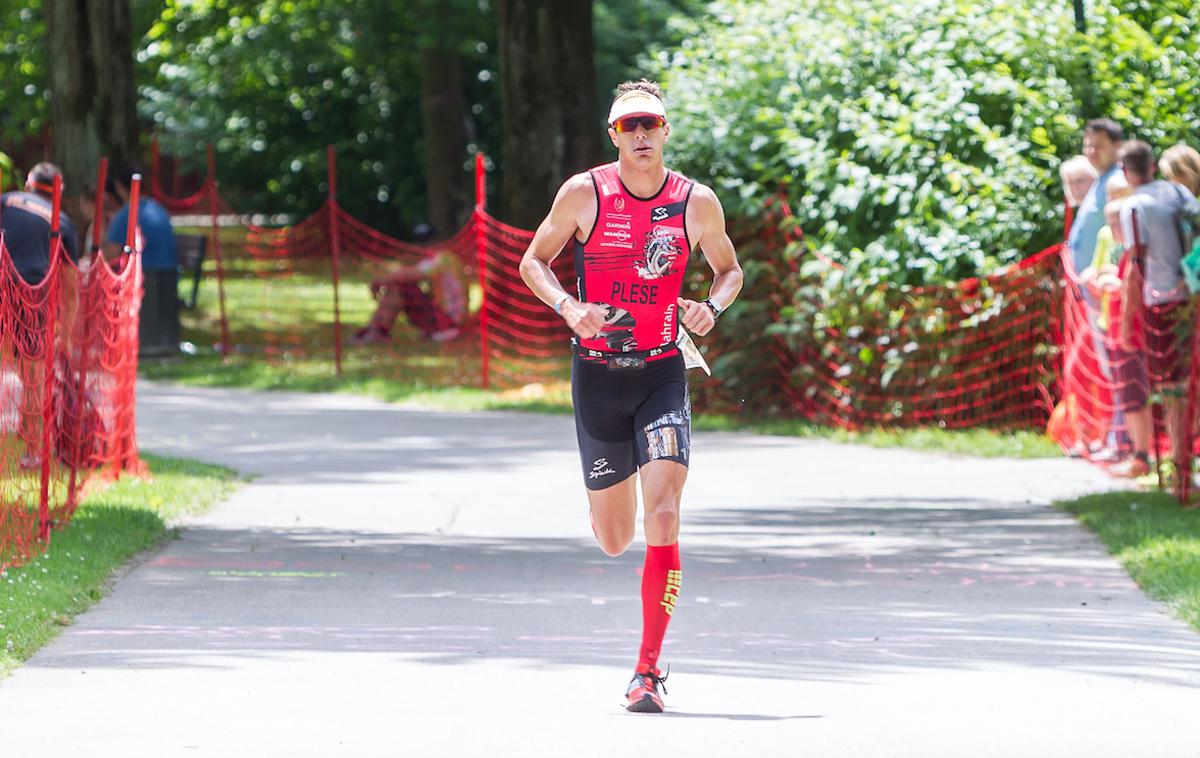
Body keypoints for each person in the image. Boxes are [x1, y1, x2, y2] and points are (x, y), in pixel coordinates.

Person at [518, 80, 743, 713]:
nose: (641, 135)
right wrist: (568, 306)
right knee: (616, 539)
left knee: (664, 513)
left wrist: (712, 307)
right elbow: (533, 261)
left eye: (652, 124)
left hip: (661, 373)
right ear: (613, 134)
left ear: (666, 130)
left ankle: (647, 671)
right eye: (629, 126)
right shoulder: (583, 193)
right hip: (597, 376)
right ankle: (602, 503)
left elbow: (729, 269)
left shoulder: (695, 203)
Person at [1113, 140, 1200, 478]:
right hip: (1192, 294)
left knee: (1172, 386)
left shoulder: (1134, 206)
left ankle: (1181, 466)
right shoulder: (1180, 195)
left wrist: (1125, 320)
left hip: (1164, 302)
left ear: (1125, 171)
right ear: (1151, 165)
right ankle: (1183, 461)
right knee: (1190, 380)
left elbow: (1137, 267)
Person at [0, 162, 81, 468]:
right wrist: (67, 328)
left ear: (29, 185)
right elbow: (70, 282)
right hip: (32, 294)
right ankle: (34, 452)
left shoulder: (5, 200)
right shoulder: (62, 221)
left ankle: (26, 430)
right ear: (58, 193)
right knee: (34, 376)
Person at [349, 224, 469, 345]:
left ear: (437, 240)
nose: (422, 246)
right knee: (399, 285)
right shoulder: (442, 257)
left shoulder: (443, 258)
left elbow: (410, 274)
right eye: (419, 242)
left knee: (400, 286)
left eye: (427, 241)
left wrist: (380, 280)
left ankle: (378, 331)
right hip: (446, 318)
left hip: (450, 322)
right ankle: (376, 329)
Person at [103, 164, 178, 356]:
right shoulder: (157, 208)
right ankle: (164, 345)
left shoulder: (127, 213)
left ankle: (142, 347)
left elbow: (110, 253)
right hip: (169, 273)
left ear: (120, 187)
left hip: (144, 276)